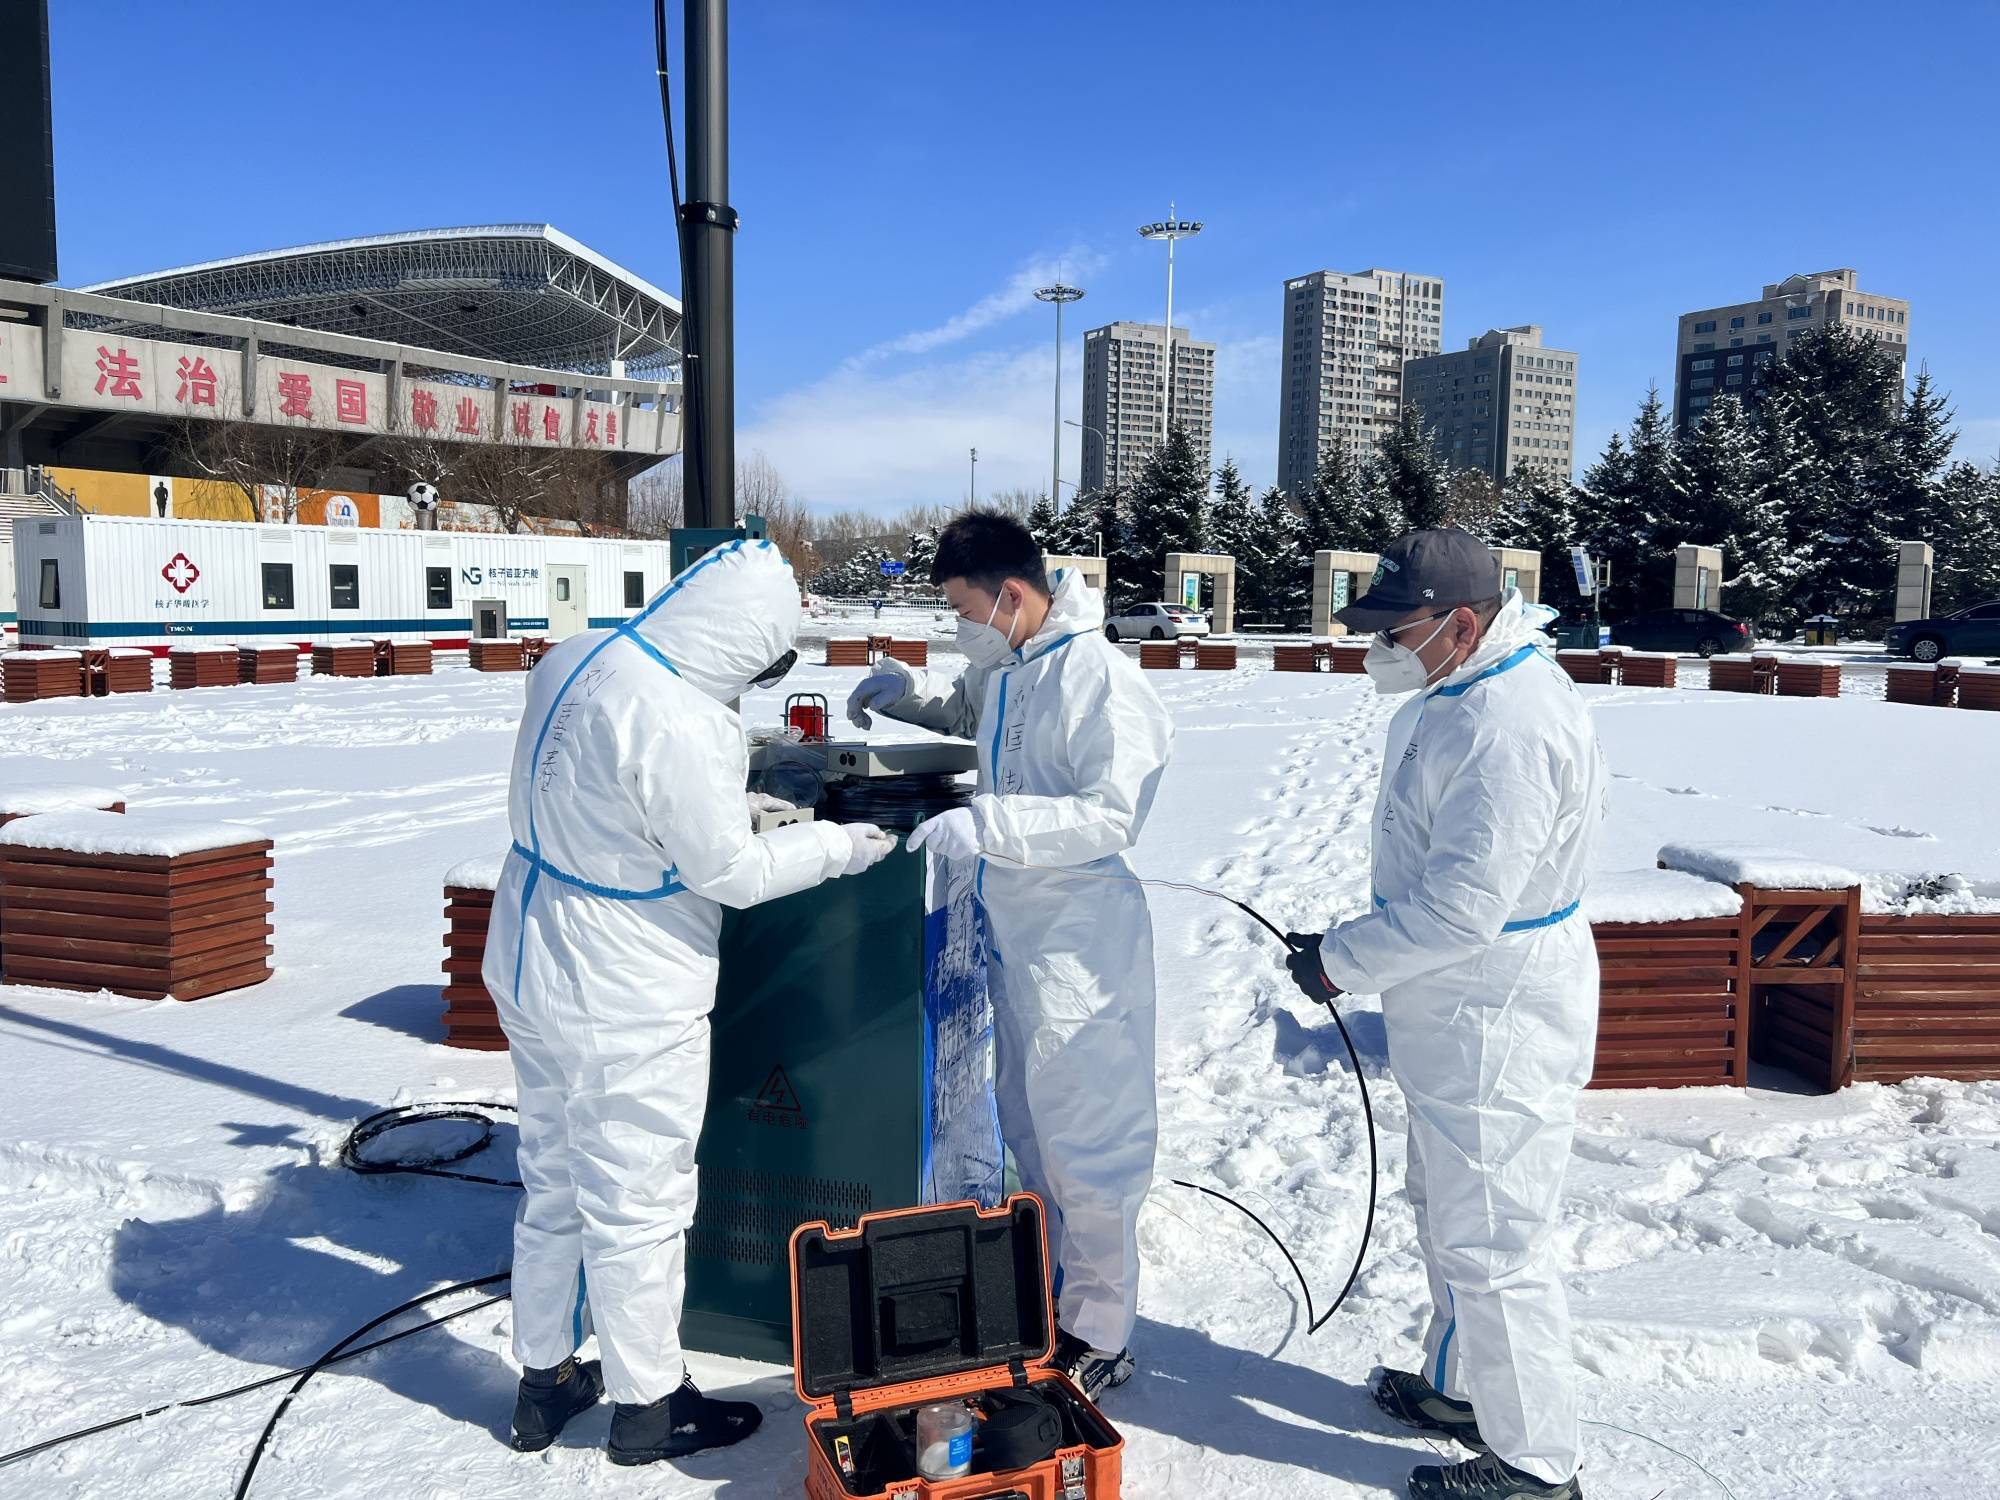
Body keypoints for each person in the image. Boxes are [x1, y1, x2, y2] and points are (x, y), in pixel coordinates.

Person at [484, 540, 897, 1465]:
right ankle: (647, 1406)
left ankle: (543, 1383)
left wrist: (710, 815)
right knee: (639, 1196)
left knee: (552, 1174)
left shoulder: (574, 656)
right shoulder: (683, 720)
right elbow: (732, 874)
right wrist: (839, 846)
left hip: (527, 952)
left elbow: (604, 795)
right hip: (621, 985)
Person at [1283, 529, 1605, 1500]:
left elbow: (1464, 908)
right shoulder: (1456, 692)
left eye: (1395, 629)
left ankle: (1536, 1464)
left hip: (1493, 1008)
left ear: (1461, 623)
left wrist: (1339, 963)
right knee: (1454, 1214)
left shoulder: (1507, 725)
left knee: (1496, 1240)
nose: (1376, 647)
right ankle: (1466, 1392)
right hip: (1453, 1002)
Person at [845, 511, 1173, 1398]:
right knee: (1029, 1128)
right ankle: (1059, 1296)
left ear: (1014, 595)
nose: (959, 625)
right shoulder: (1011, 661)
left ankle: (1101, 1330)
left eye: (962, 607)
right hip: (1016, 934)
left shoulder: (1099, 678)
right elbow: (966, 711)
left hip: (1078, 944)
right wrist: (903, 693)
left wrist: (988, 821)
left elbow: (1112, 814)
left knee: (1087, 1144)